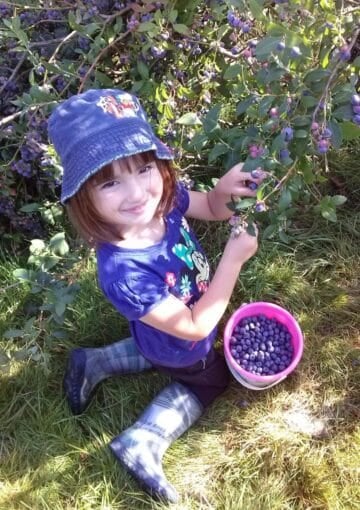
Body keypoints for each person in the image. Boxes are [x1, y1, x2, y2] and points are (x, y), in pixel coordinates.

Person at [48, 88, 265, 503]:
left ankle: (95, 361)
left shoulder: (162, 200)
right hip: (184, 342)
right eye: (110, 182)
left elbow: (212, 208)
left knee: (152, 344)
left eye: (143, 168)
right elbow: (193, 326)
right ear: (84, 198)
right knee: (208, 379)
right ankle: (143, 441)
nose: (136, 193)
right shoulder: (123, 272)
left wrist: (221, 191)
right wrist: (232, 261)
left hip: (157, 330)